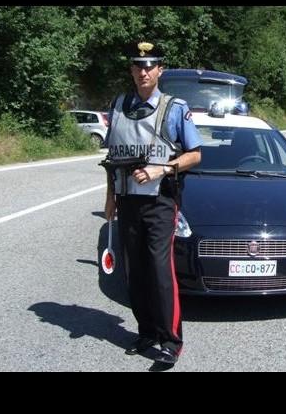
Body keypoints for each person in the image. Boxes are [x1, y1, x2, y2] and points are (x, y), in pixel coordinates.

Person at [103, 41, 202, 364]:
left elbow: (195, 154)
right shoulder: (117, 106)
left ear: (160, 70)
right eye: (138, 66)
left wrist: (163, 168)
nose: (144, 71)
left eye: (150, 66)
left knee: (159, 269)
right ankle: (146, 332)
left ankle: (170, 340)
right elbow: (112, 158)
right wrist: (110, 200)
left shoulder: (175, 109)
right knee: (135, 270)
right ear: (131, 70)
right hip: (127, 199)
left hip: (160, 201)